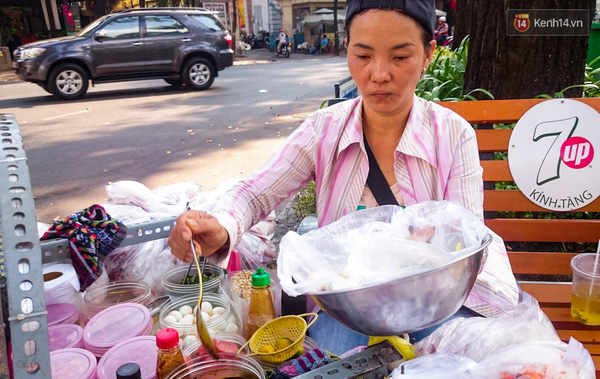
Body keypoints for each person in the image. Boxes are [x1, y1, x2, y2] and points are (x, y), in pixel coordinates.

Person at [168, 0, 519, 356]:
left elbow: (466, 233)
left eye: (400, 57)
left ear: (428, 54)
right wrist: (223, 225)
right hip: (350, 304)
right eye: (363, 56)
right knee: (332, 365)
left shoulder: (452, 135)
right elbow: (255, 193)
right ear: (347, 48)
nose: (379, 74)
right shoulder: (325, 130)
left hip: (436, 300)